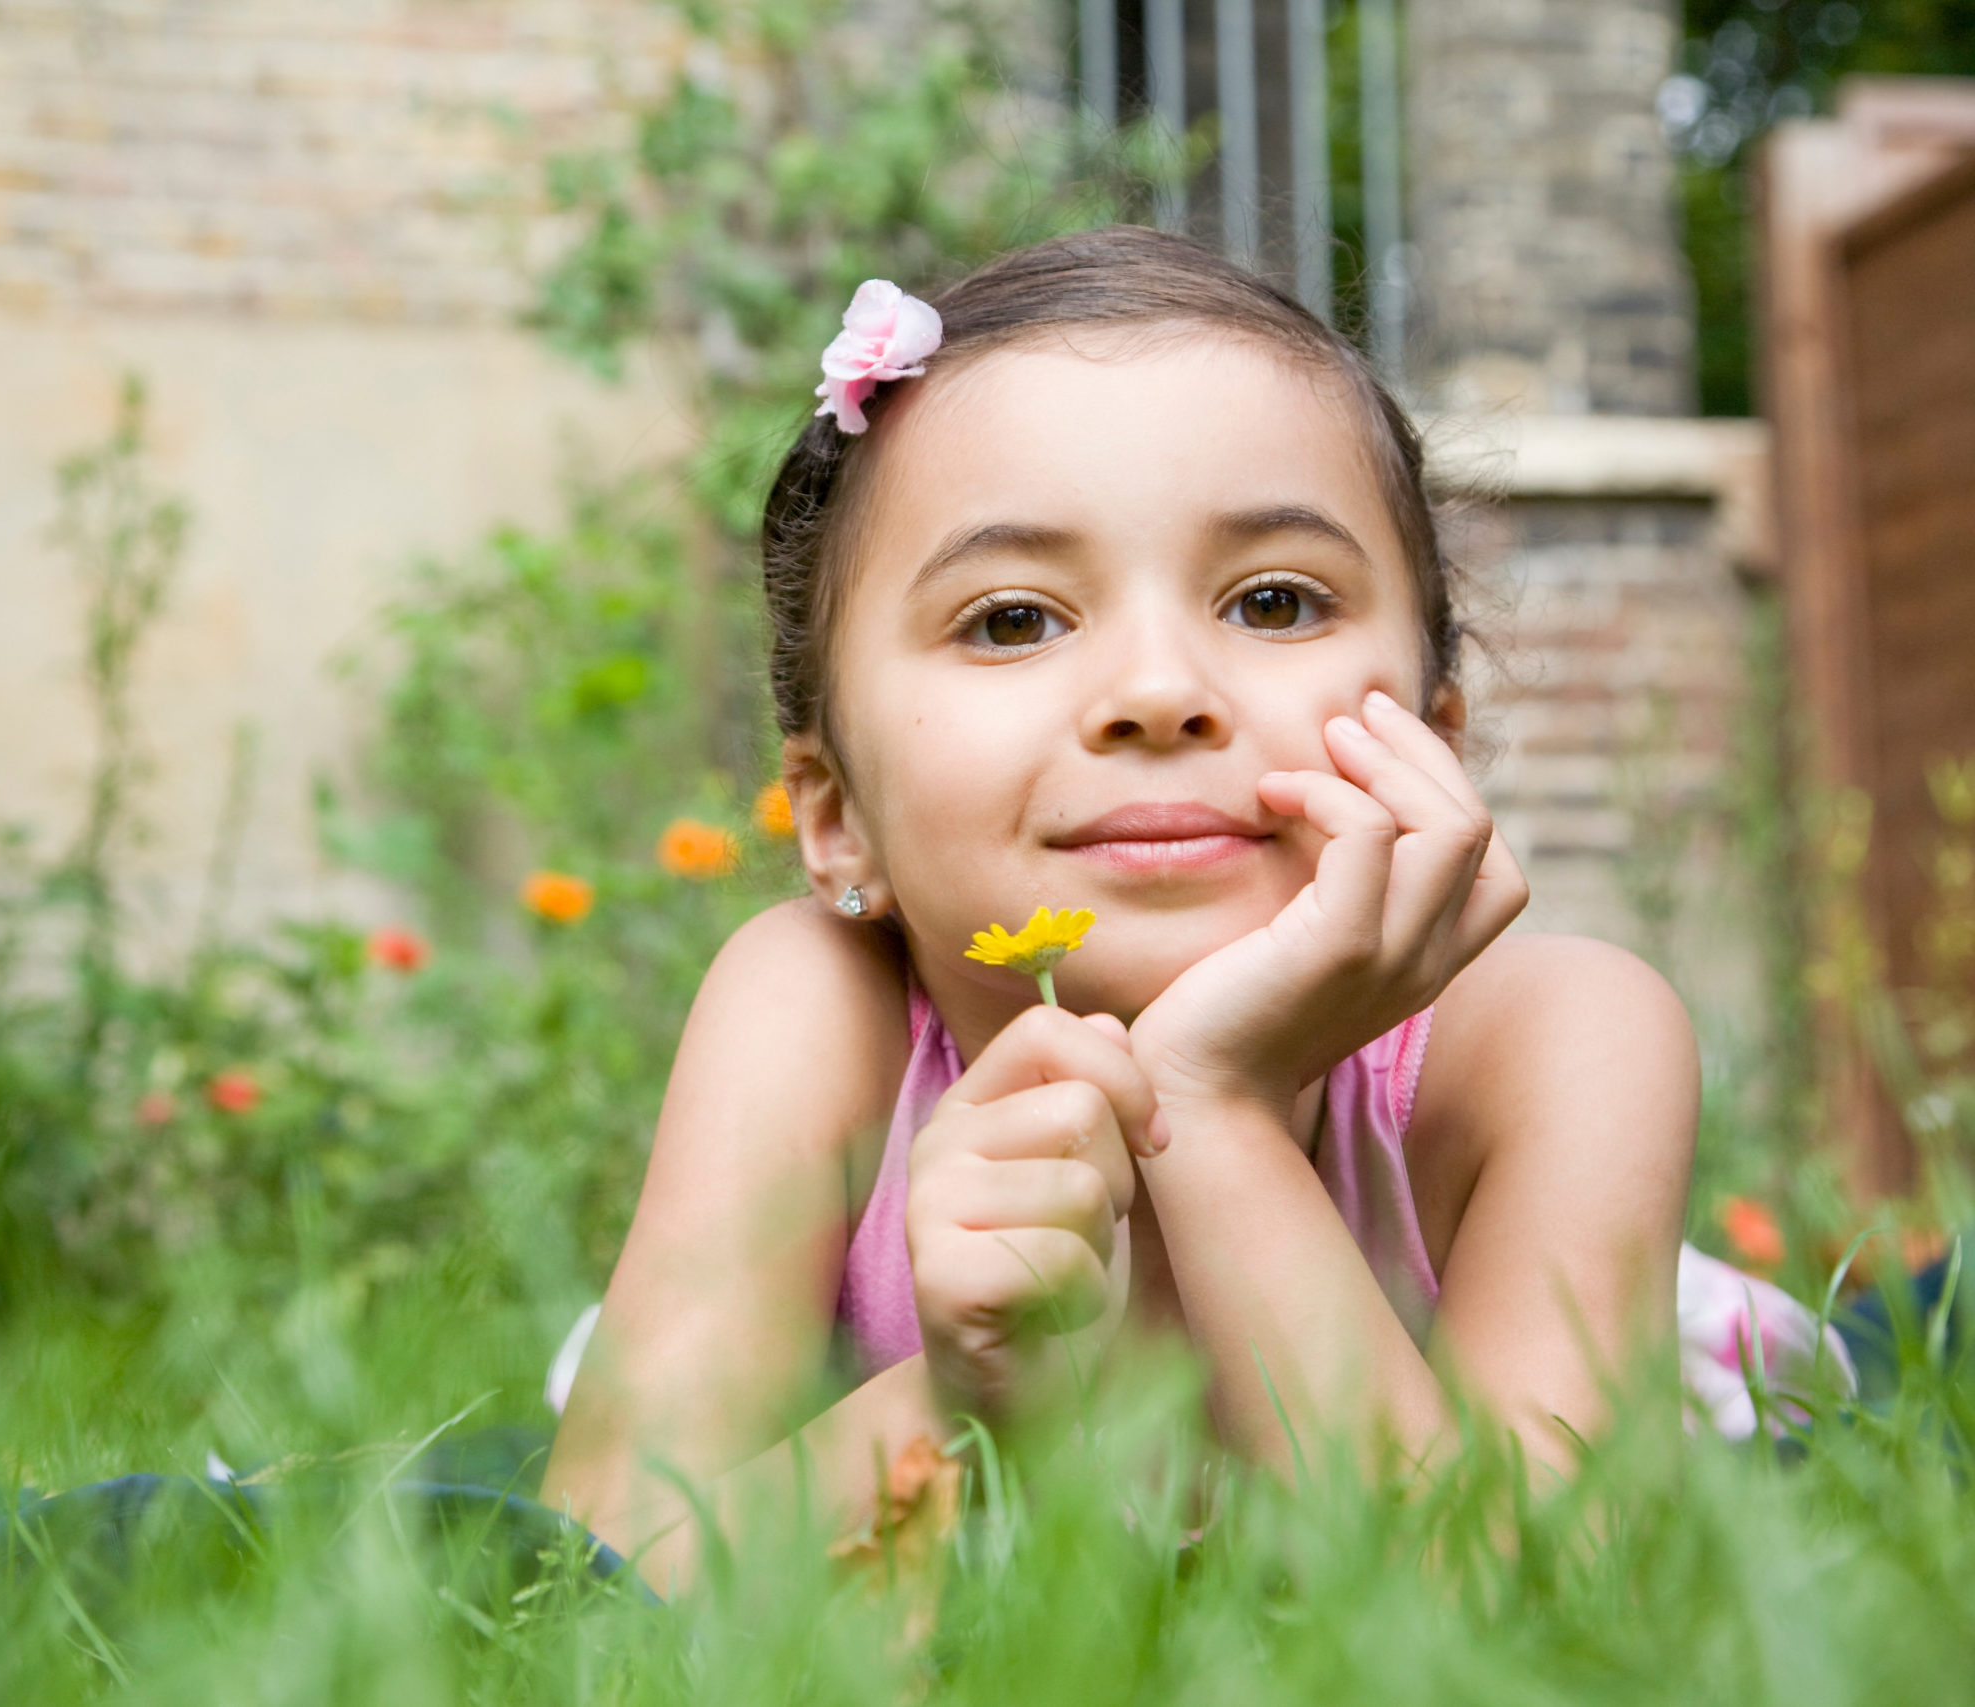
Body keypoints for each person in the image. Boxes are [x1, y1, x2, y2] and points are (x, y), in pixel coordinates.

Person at [541, 226, 1708, 1592]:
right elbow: (584, 1584)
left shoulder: (1557, 1039)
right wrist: (977, 1405)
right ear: (834, 811)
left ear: (1433, 739)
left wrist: (1210, 1111)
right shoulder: (815, 1009)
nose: (1160, 689)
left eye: (1274, 600)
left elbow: (1535, 1616)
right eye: (1013, 619)